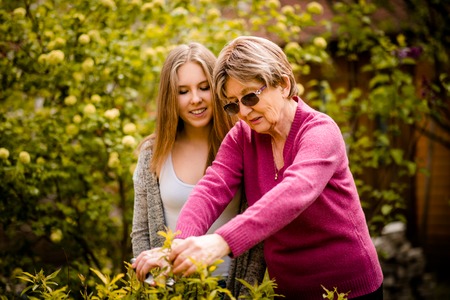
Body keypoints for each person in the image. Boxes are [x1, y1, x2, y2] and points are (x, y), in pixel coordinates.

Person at [166, 36, 384, 299]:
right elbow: (212, 189)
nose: (243, 112)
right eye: (233, 104)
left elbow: (294, 192)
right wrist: (178, 247)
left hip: (350, 290)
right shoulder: (242, 137)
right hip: (288, 292)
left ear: (283, 84)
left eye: (249, 97)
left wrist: (222, 241)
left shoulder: (319, 132)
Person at [130, 42, 265, 296]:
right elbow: (140, 233)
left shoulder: (245, 144)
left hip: (234, 289)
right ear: (170, 96)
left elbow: (260, 230)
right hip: (174, 288)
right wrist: (154, 285)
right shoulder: (153, 152)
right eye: (183, 91)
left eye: (204, 87)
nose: (195, 99)